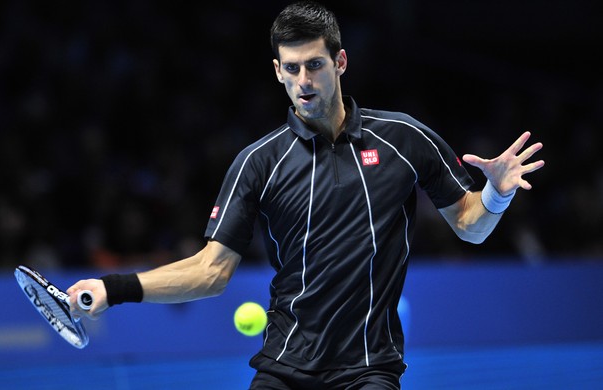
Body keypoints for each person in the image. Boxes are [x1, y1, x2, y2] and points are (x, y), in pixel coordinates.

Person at [68, 1, 545, 388]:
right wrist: (113, 288)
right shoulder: (258, 163)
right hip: (283, 368)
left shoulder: (403, 139)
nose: (303, 82)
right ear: (277, 71)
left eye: (314, 65)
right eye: (291, 68)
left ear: (339, 62)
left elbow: (471, 227)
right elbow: (210, 272)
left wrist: (496, 196)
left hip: (370, 368)